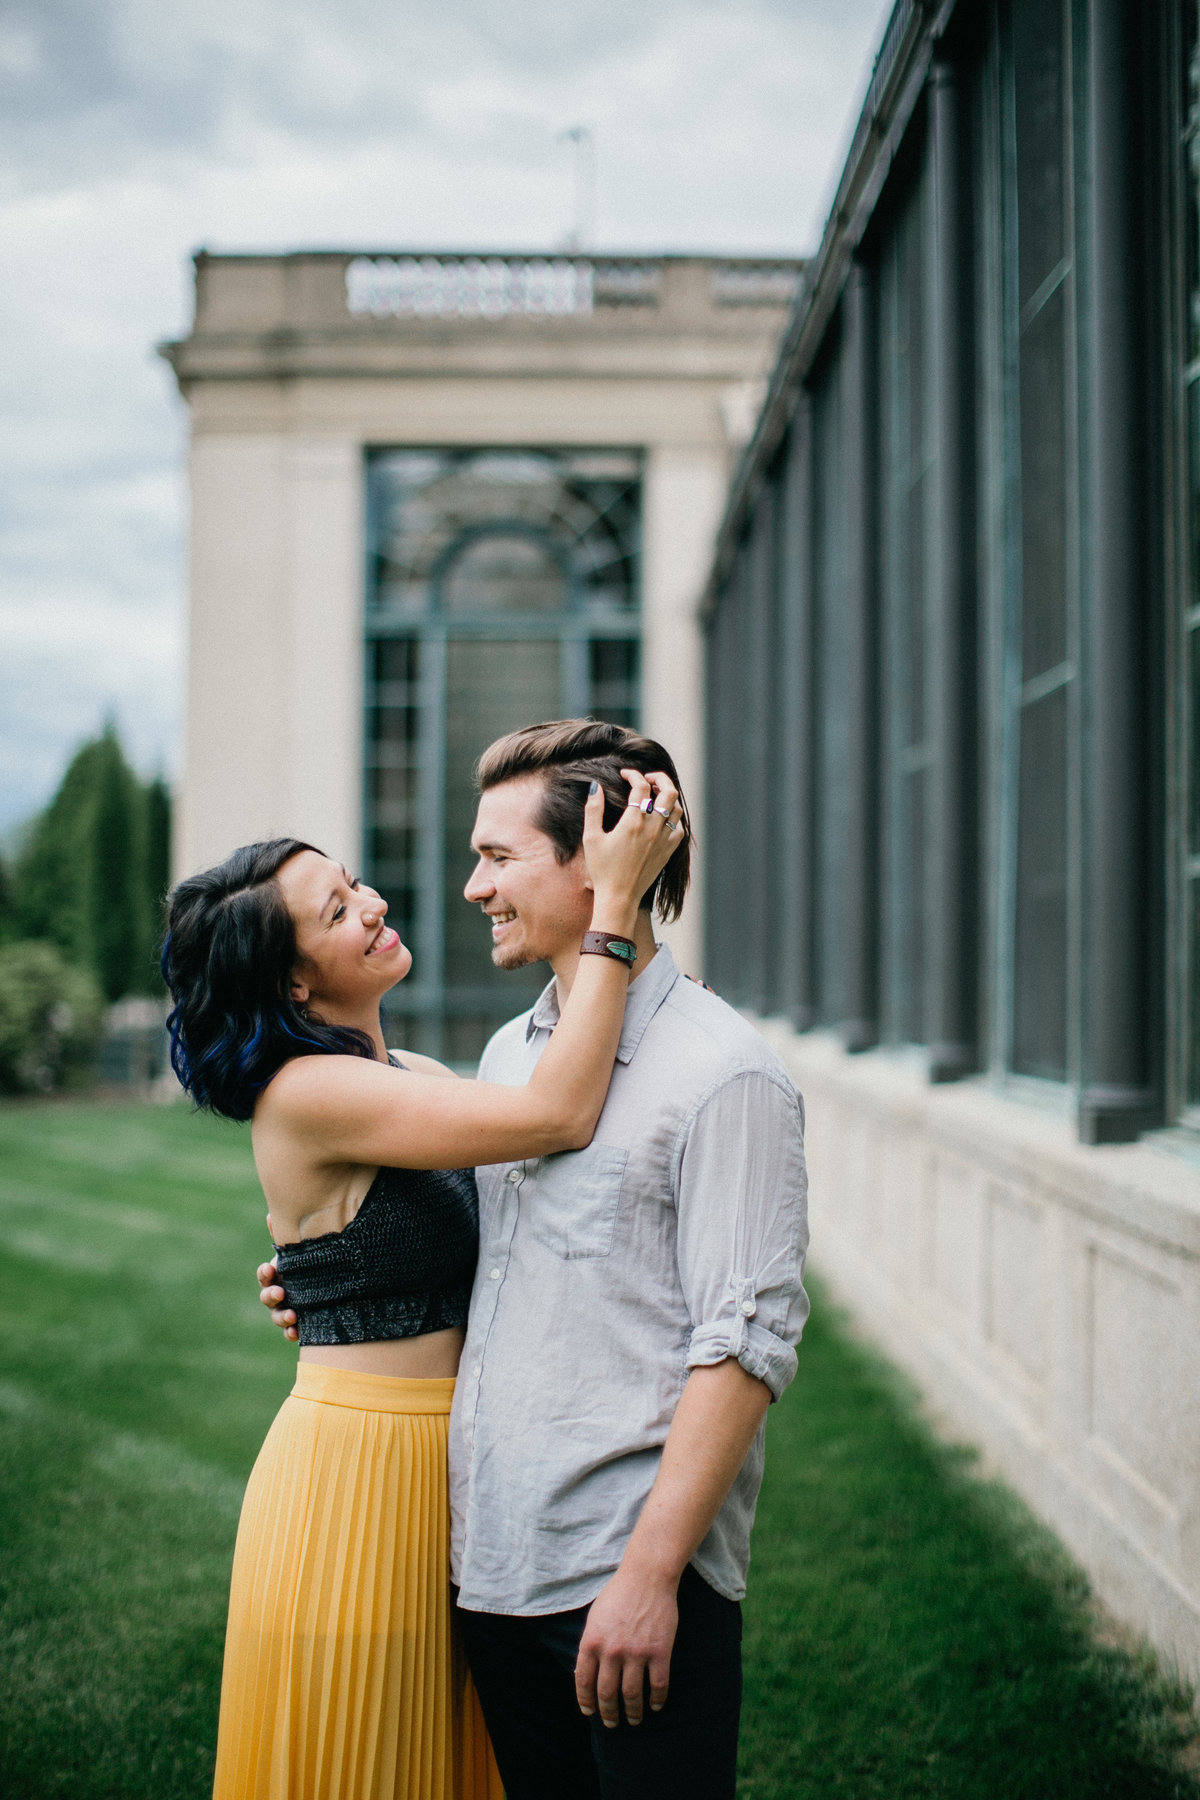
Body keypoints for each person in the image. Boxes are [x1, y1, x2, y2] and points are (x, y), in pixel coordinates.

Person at [262, 719, 810, 1800]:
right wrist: (330, 1282)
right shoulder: (516, 1054)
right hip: (491, 1569)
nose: (473, 888)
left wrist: (652, 1578)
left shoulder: (726, 1075)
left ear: (602, 859)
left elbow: (744, 1348)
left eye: (500, 858)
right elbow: (502, 1266)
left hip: (627, 1581)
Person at [161, 765, 684, 1800]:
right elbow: (558, 1116)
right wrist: (612, 908)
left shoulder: (424, 1082)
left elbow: (522, 1214)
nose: (376, 903)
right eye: (338, 907)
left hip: (458, 1473)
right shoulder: (307, 1094)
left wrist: (324, 1281)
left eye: (356, 884)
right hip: (357, 1481)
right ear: (294, 984)